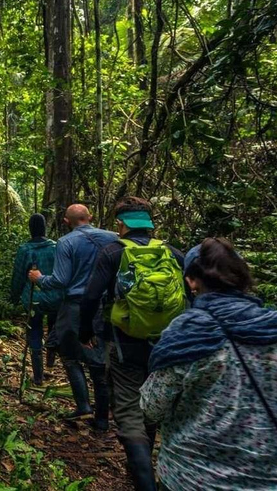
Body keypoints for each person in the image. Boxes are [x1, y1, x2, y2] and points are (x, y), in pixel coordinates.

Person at [141, 238, 277, 490]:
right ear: (242, 277)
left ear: (191, 280)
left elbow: (152, 406)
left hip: (193, 479)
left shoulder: (184, 334)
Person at [77, 196, 186, 491]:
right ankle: (143, 467)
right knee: (151, 404)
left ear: (122, 224)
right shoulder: (173, 253)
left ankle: (143, 480)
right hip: (165, 347)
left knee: (128, 412)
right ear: (149, 223)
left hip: (124, 344)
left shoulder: (112, 253)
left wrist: (85, 331)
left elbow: (90, 297)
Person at [28, 204, 117, 425]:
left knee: (69, 355)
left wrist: (39, 278)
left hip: (75, 306)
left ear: (66, 222)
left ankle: (84, 406)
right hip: (105, 307)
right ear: (91, 217)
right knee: (99, 361)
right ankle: (102, 418)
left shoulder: (66, 242)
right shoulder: (113, 238)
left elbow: (60, 280)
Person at [10, 214, 63, 385]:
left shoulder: (25, 249)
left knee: (34, 332)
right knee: (53, 327)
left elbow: (18, 276)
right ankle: (50, 361)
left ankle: (38, 376)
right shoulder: (56, 246)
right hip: (56, 297)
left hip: (34, 298)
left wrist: (14, 297)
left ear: (30, 229)